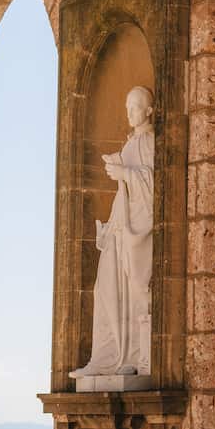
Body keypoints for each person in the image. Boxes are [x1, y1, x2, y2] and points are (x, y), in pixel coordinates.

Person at [70, 85, 156, 378]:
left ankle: (133, 358)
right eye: (127, 107)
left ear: (149, 111)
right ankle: (105, 359)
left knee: (134, 294)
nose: (130, 113)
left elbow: (154, 186)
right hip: (120, 231)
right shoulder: (131, 144)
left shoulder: (149, 142)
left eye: (135, 107)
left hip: (136, 235)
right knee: (104, 289)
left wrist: (125, 174)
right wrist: (108, 229)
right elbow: (127, 193)